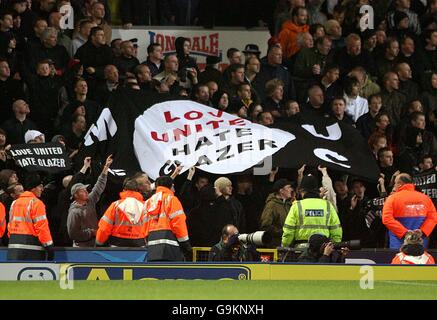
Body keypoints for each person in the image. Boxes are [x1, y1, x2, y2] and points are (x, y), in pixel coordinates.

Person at [281, 174, 342, 248]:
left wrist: (284, 246)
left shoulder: (297, 206)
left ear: (302, 190)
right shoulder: (327, 205)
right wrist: (334, 245)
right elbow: (336, 229)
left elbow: (289, 230)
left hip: (301, 249)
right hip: (322, 249)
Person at [67, 155, 112, 247]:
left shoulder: (89, 201)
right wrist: (91, 232)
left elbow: (99, 185)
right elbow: (73, 234)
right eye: (82, 191)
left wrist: (106, 167)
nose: (86, 192)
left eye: (86, 189)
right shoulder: (74, 212)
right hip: (81, 247)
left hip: (94, 244)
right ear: (76, 195)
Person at [382, 173, 437, 249]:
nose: (394, 185)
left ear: (399, 184)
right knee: (420, 260)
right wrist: (422, 231)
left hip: (399, 242)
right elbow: (433, 218)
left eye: (395, 183)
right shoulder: (425, 198)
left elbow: (386, 219)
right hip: (420, 241)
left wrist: (405, 233)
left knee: (400, 260)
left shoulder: (392, 199)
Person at [144, 176, 192, 261]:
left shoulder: (148, 202)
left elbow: (143, 225)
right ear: (172, 186)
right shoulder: (172, 200)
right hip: (170, 246)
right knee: (170, 273)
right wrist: (185, 244)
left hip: (151, 246)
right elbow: (179, 223)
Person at [7, 173, 53, 260]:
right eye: (40, 186)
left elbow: (10, 226)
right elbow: (42, 227)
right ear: (33, 188)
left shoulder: (15, 203)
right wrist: (49, 246)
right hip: (32, 250)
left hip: (13, 248)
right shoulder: (36, 203)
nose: (42, 189)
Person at [95, 178, 147, 247]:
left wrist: (99, 242)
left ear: (124, 190)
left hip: (117, 243)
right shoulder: (145, 206)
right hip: (139, 243)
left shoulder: (115, 205)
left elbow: (105, 227)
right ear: (138, 191)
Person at [259, 179, 294, 248]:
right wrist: (283, 232)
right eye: (288, 187)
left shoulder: (289, 205)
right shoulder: (272, 205)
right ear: (281, 191)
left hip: (288, 244)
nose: (291, 189)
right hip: (275, 245)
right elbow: (265, 225)